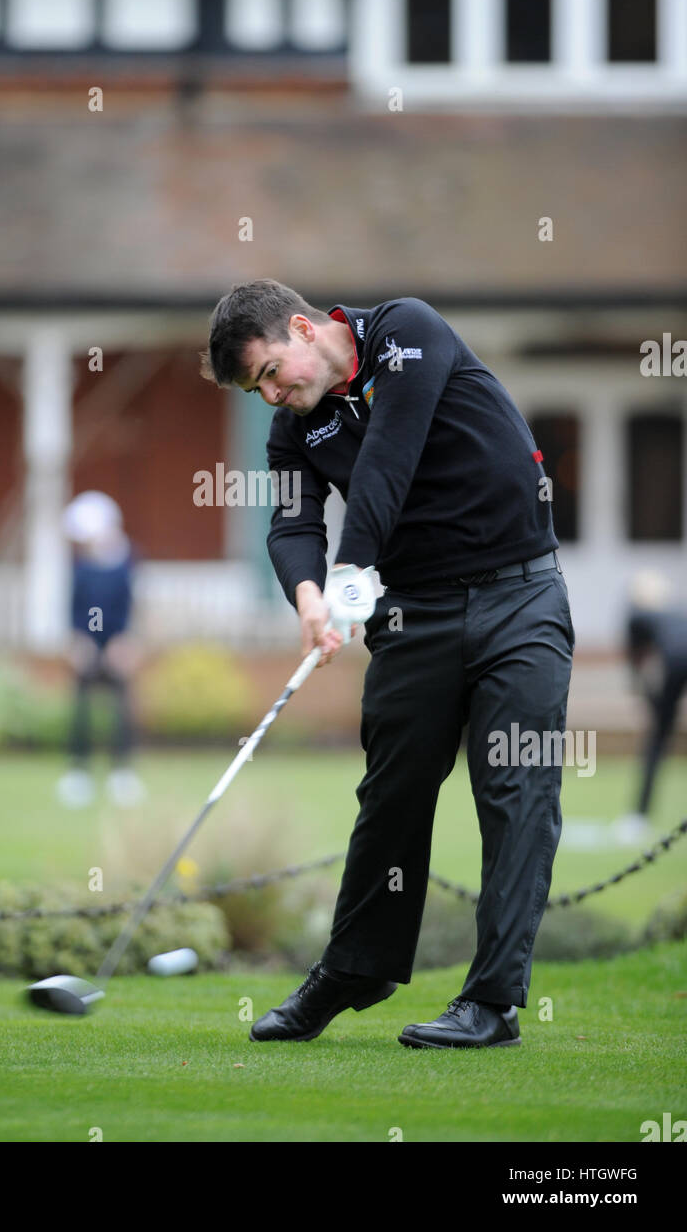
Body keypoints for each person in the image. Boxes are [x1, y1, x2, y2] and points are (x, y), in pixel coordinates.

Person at [200, 279, 575, 1049]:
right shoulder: (294, 427)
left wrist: (351, 573)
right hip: (414, 614)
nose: (273, 394)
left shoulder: (406, 331)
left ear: (302, 330)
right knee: (392, 796)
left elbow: (390, 462)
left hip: (520, 598)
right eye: (256, 389)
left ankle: (492, 1003)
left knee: (515, 793)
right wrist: (309, 597)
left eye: (270, 372)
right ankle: (354, 970)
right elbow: (292, 521)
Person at [57, 491, 145, 809]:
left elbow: (132, 606)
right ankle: (78, 772)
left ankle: (122, 773)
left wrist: (126, 641)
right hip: (88, 646)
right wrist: (78, 641)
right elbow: (75, 608)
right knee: (82, 709)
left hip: (117, 645)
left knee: (121, 710)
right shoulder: (81, 566)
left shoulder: (126, 562)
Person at [616, 570, 687, 845]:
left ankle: (638, 817)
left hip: (675, 660)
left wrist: (654, 706)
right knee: (660, 733)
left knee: (657, 740)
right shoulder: (674, 614)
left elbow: (636, 664)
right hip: (675, 660)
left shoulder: (636, 617)